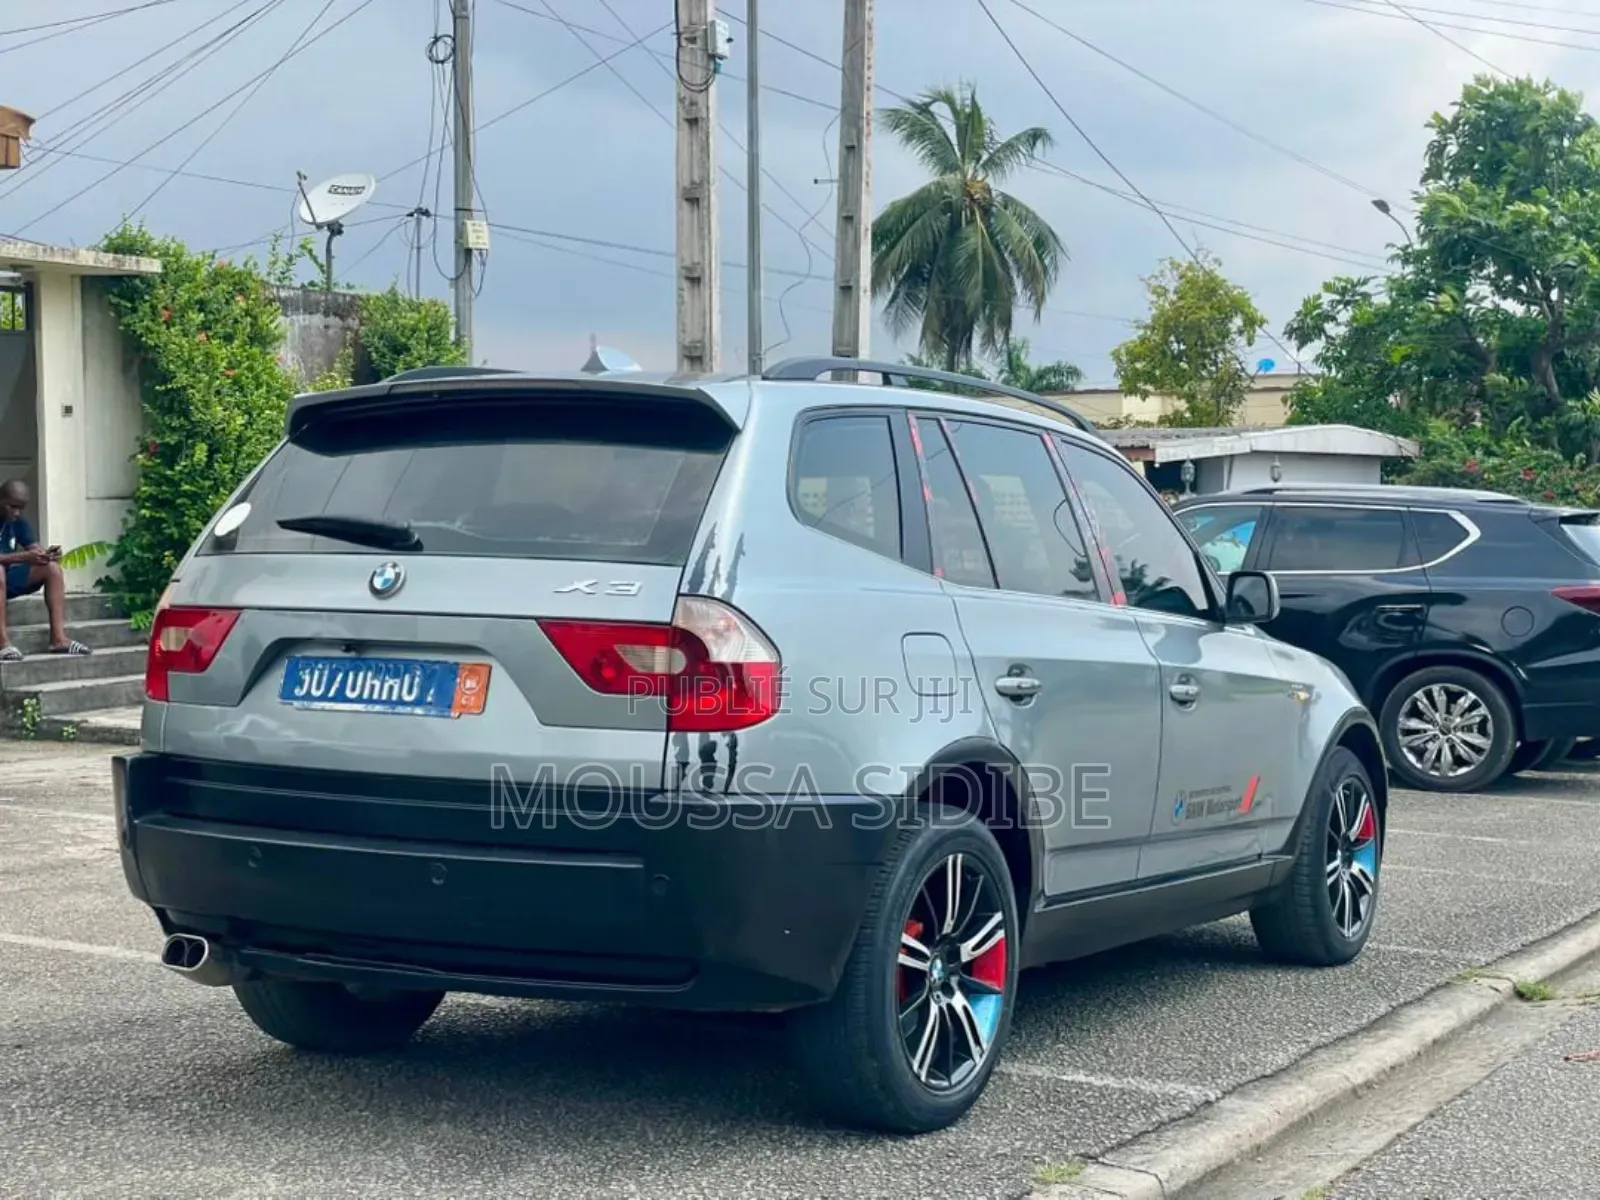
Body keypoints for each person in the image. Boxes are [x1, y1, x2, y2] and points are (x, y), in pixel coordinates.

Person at [0, 480, 91, 661]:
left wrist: (47, 555)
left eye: (21, 508)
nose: (17, 513)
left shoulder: (18, 522)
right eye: (12, 506)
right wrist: (24, 557)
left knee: (51, 569)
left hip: (6, 581)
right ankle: (2, 643)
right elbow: (24, 556)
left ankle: (58, 639)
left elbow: (34, 550)